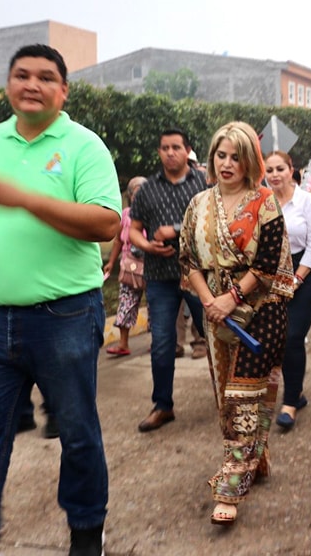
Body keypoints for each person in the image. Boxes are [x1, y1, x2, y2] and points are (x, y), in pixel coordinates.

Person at [0, 44, 121, 556]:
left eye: (45, 77)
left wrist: (26, 199)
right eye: (21, 75)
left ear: (63, 89)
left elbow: (106, 223)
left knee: (77, 434)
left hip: (66, 317)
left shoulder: (84, 147)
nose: (31, 84)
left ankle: (85, 531)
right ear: (8, 84)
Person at [179, 121, 295, 524]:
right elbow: (188, 261)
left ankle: (231, 485)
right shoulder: (197, 204)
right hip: (215, 313)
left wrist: (231, 298)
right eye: (221, 155)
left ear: (250, 161)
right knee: (226, 400)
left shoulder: (265, 201)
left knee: (241, 396)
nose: (227, 164)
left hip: (261, 310)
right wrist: (210, 301)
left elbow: (265, 267)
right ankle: (256, 458)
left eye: (236, 157)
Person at [130, 128, 208, 432]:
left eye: (176, 147)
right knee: (162, 344)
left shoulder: (204, 183)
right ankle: (163, 406)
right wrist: (147, 245)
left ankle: (226, 400)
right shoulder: (148, 189)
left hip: (200, 275)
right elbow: (135, 228)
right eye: (164, 148)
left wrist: (174, 230)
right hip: (160, 277)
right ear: (159, 152)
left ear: (187, 150)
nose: (170, 153)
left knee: (216, 340)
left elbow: (212, 222)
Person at [264, 151, 311, 431]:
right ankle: (296, 394)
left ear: (291, 170)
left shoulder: (307, 201)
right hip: (274, 276)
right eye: (269, 170)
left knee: (292, 336)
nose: (274, 174)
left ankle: (289, 403)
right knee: (282, 341)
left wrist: (296, 280)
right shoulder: (264, 202)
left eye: (280, 169)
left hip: (306, 275)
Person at [102, 175, 148, 356]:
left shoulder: (154, 211)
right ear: (130, 195)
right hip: (129, 267)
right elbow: (117, 242)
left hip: (151, 267)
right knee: (126, 303)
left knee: (154, 306)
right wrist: (111, 262)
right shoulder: (126, 215)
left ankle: (156, 342)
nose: (139, 196)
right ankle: (123, 343)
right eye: (136, 193)